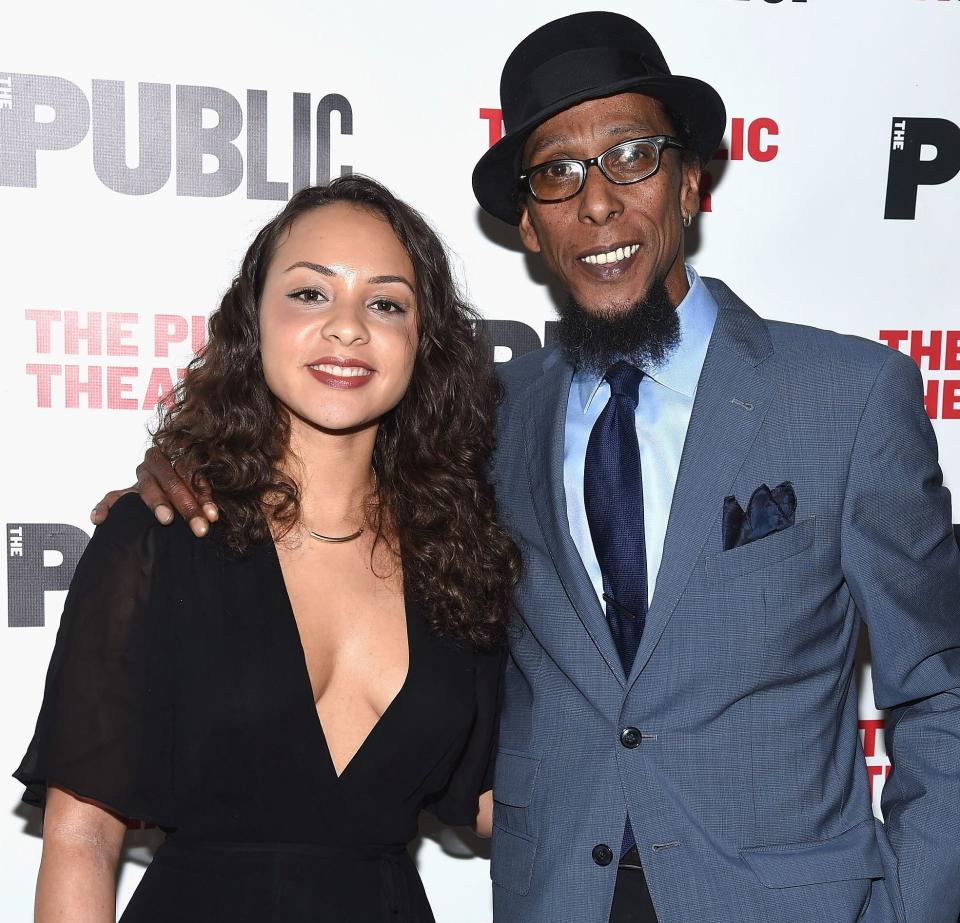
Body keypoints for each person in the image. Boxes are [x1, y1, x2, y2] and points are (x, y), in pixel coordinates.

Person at [97, 12, 960, 923]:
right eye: (558, 174)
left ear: (691, 182)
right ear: (531, 229)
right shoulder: (485, 419)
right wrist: (178, 482)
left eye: (632, 155)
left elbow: (942, 686)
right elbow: (323, 487)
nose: (597, 202)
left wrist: (912, 907)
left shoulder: (849, 395)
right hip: (559, 898)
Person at [16, 175, 520, 923]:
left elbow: (495, 803)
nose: (347, 328)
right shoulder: (159, 539)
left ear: (422, 340)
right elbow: (84, 836)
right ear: (254, 318)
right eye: (310, 294)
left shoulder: (458, 557)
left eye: (385, 302)